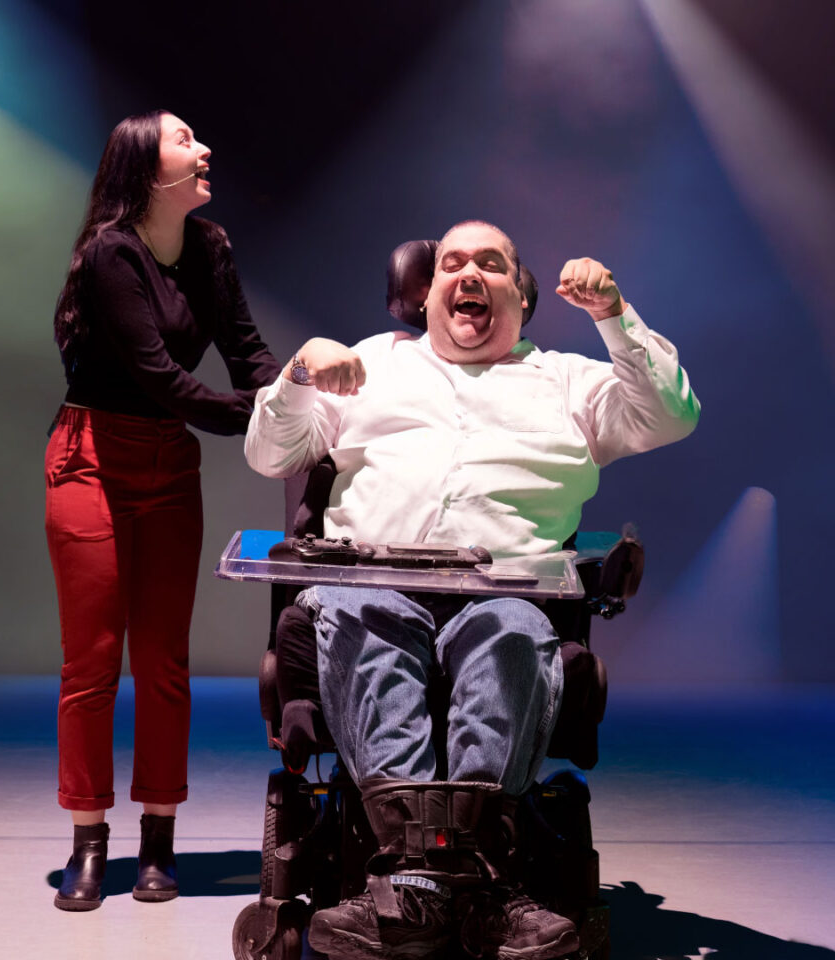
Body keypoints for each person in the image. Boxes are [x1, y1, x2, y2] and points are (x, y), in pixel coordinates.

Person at [245, 220, 700, 959]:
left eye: (492, 264)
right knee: (364, 615)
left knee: (510, 630)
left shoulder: (569, 380)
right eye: (452, 263)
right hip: (373, 587)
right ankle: (435, 886)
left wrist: (613, 316)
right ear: (425, 296)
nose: (470, 274)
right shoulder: (370, 363)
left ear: (521, 295)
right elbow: (270, 454)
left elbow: (673, 415)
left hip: (507, 595)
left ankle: (449, 888)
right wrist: (298, 373)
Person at [45, 109, 281, 911]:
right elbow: (160, 378)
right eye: (185, 140)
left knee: (163, 661)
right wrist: (253, 416)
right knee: (92, 660)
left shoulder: (210, 248)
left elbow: (246, 350)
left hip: (167, 463)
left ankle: (158, 840)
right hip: (92, 460)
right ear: (147, 170)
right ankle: (87, 840)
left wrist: (292, 399)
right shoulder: (111, 254)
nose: (205, 148)